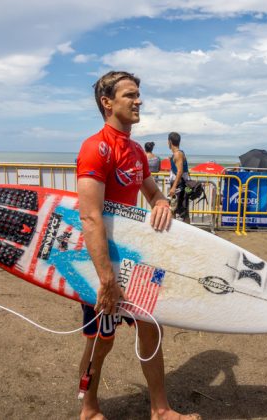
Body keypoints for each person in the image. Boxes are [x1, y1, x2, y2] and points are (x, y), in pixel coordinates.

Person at [76, 70, 199, 420]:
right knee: (101, 339)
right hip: (103, 261)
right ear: (107, 102)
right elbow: (90, 217)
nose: (138, 101)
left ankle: (160, 410)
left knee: (151, 326)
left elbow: (154, 192)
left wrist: (161, 203)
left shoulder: (135, 152)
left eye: (138, 95)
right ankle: (88, 407)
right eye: (130, 95)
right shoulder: (95, 148)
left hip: (136, 257)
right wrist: (106, 280)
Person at [167, 132, 190, 224]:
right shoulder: (177, 154)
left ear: (170, 142)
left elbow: (180, 171)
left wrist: (173, 187)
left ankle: (186, 233)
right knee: (175, 209)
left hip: (180, 185)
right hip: (179, 184)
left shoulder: (178, 154)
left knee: (179, 211)